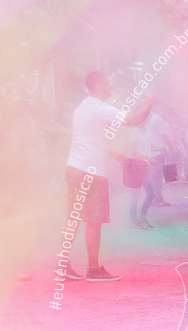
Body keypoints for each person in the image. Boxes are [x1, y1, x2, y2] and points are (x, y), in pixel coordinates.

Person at [62, 71, 154, 282]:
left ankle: (62, 264)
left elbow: (88, 137)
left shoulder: (80, 109)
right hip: (92, 174)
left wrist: (112, 152)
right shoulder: (101, 109)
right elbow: (133, 119)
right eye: (107, 83)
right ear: (97, 85)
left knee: (73, 219)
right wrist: (150, 103)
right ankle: (93, 270)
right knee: (94, 221)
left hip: (74, 168)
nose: (110, 86)